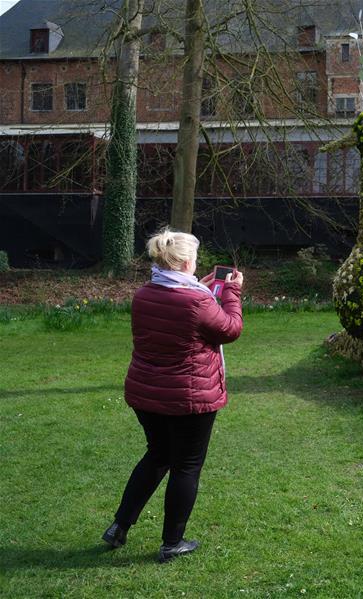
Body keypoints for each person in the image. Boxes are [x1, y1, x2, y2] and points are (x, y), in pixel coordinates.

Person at [102, 227, 243, 563]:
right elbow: (229, 329)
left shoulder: (146, 293)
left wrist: (205, 288)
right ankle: (171, 542)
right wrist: (232, 293)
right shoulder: (195, 300)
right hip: (189, 398)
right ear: (185, 262)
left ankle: (119, 525)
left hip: (147, 394)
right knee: (186, 466)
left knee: (157, 456)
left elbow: (182, 311)